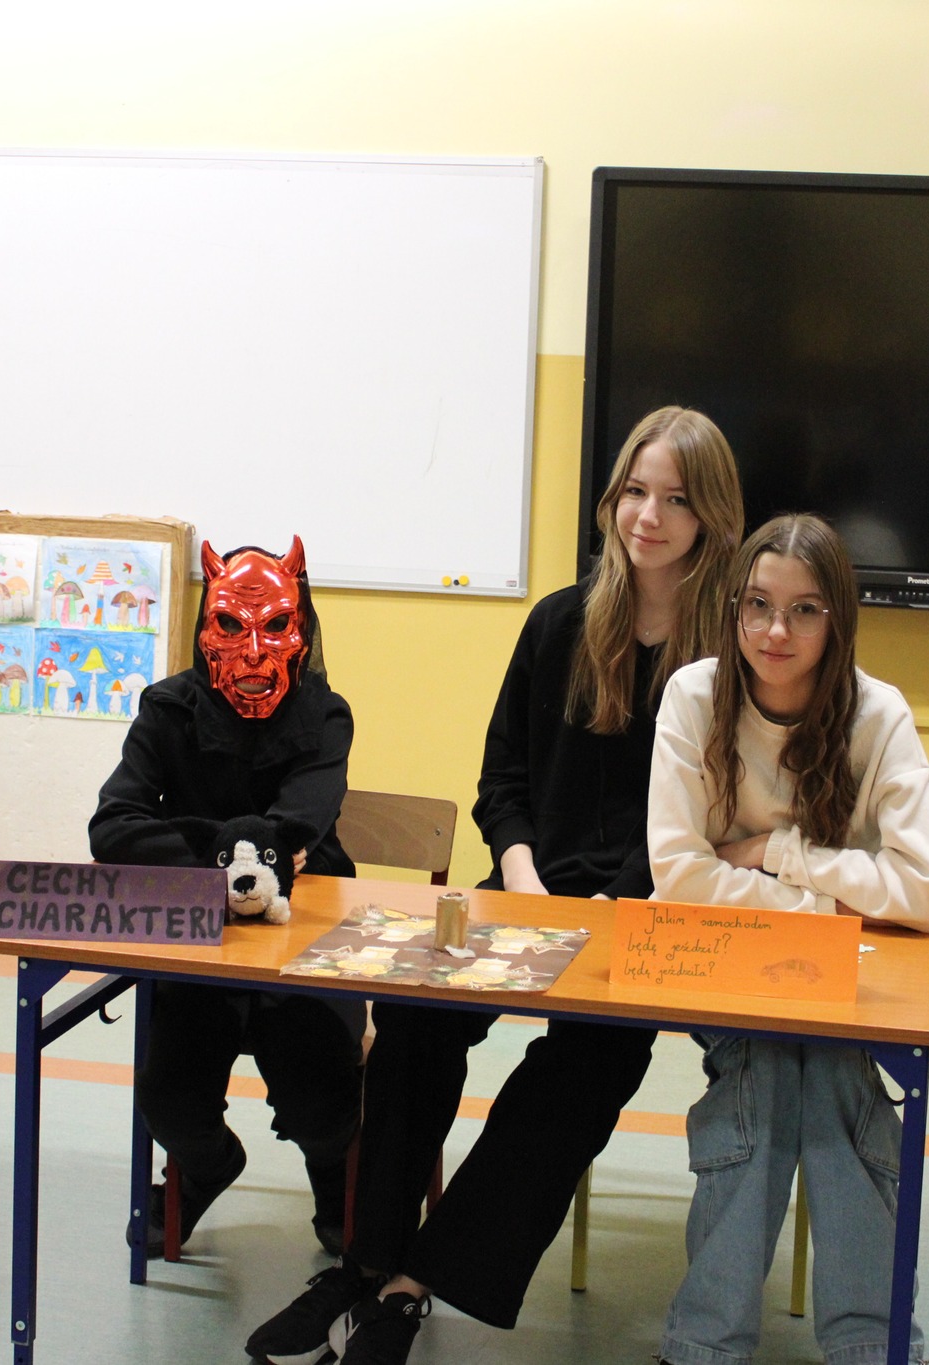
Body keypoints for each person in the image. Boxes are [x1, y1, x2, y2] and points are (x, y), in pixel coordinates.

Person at [245, 406, 745, 1365]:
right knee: (415, 1019)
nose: (649, 516)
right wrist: (522, 875)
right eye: (635, 491)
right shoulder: (560, 619)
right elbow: (501, 778)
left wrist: (616, 902)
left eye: (677, 500)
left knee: (585, 1067)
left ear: (712, 516)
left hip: (645, 912)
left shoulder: (727, 648)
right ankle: (364, 1261)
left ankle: (414, 1284)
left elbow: (713, 810)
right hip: (524, 891)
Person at [647, 512, 929, 1365]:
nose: (775, 631)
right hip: (727, 966)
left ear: (837, 619)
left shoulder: (878, 713)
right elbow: (678, 875)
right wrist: (831, 901)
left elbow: (928, 893)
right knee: (771, 1063)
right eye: (758, 605)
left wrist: (775, 852)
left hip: (843, 977)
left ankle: (826, 1345)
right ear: (734, 608)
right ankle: (749, 1348)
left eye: (804, 610)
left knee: (825, 1069)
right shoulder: (694, 696)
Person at [88, 535, 362, 1258]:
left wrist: (188, 842)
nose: (253, 652)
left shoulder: (325, 716)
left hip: (303, 944)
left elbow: (298, 828)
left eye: (275, 625)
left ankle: (334, 1173)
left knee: (322, 1098)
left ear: (301, 626)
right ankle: (206, 1166)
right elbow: (112, 826)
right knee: (170, 1103)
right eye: (232, 625)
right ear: (206, 623)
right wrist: (233, 860)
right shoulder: (167, 710)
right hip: (200, 948)